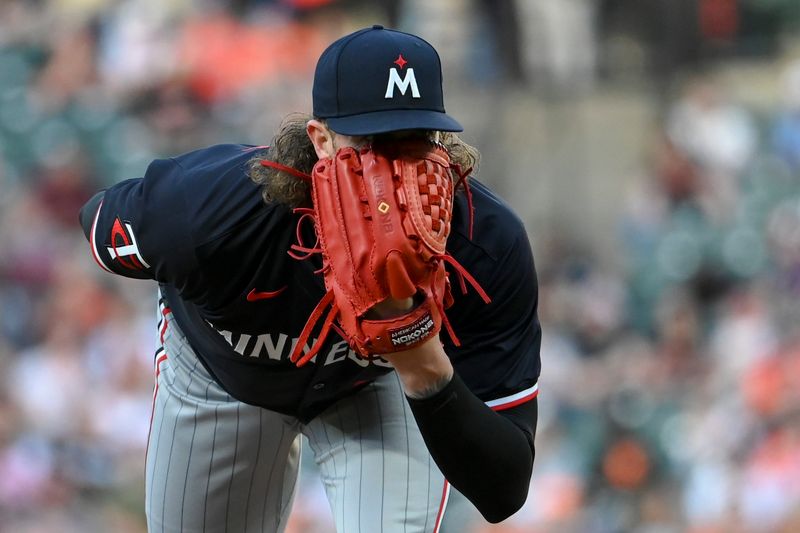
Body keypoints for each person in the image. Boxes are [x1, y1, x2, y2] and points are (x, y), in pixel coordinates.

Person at [79, 25, 541, 533]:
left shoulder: (482, 240)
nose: (395, 173)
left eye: (415, 142)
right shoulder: (213, 210)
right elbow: (101, 220)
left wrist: (424, 366)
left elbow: (504, 490)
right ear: (320, 140)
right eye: (372, 143)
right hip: (220, 375)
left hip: (375, 384)